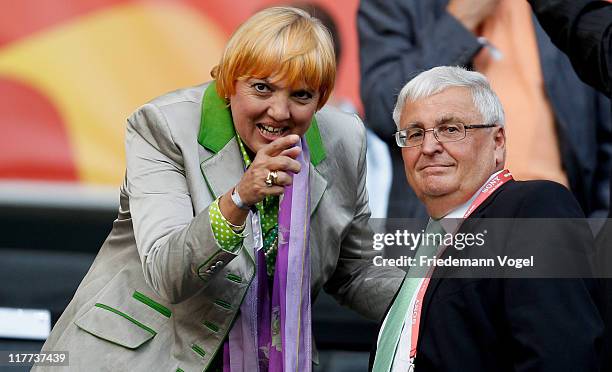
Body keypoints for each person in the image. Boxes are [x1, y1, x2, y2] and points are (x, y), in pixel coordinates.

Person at [34, 7, 403, 372]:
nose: (279, 111)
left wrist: (435, 295)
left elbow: (355, 270)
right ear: (229, 81)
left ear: (321, 98)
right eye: (262, 88)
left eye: (301, 95)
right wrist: (238, 199)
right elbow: (167, 273)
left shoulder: (344, 139)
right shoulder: (164, 125)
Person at [369, 66, 603, 371]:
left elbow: (563, 357)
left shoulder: (533, 209)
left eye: (451, 129)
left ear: (498, 142)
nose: (427, 147)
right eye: (414, 134)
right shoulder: (429, 244)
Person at [358, 0, 612, 221]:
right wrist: (461, 20)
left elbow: (605, 133)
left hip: (556, 225)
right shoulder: (394, 4)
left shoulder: (560, 8)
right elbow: (384, 108)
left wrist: (596, 235)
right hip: (444, 231)